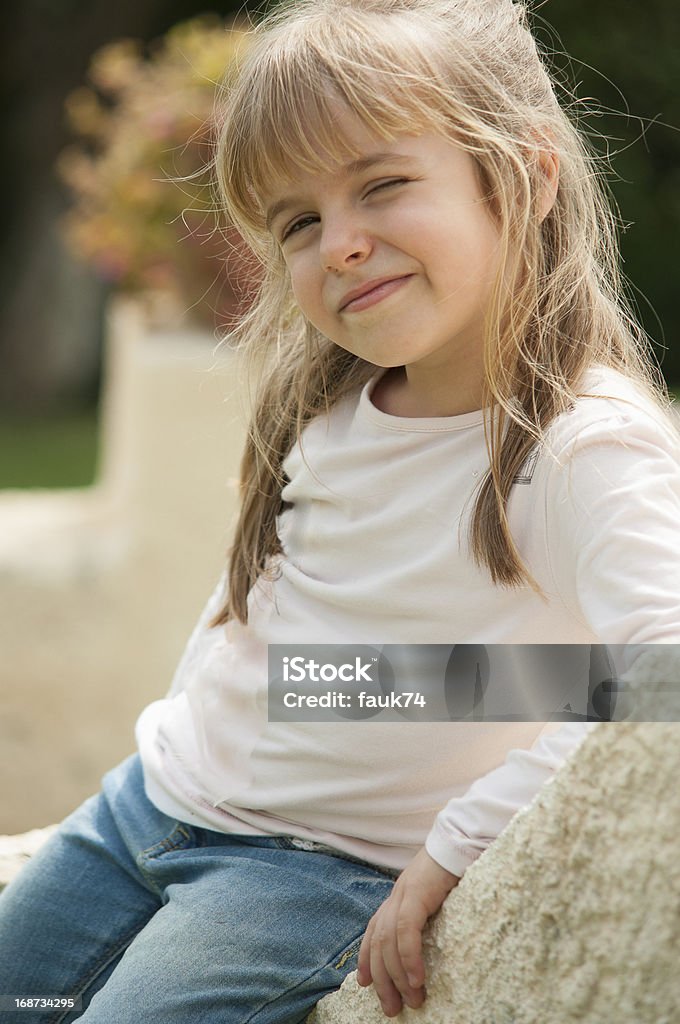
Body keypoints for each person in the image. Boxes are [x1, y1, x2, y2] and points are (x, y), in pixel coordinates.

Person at [2, 0, 679, 1020]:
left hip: (309, 874)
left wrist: (453, 841)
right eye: (301, 222)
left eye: (382, 186)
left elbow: (657, 669)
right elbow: (255, 617)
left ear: (528, 177)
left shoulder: (582, 444)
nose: (342, 245)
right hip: (145, 806)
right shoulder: (326, 402)